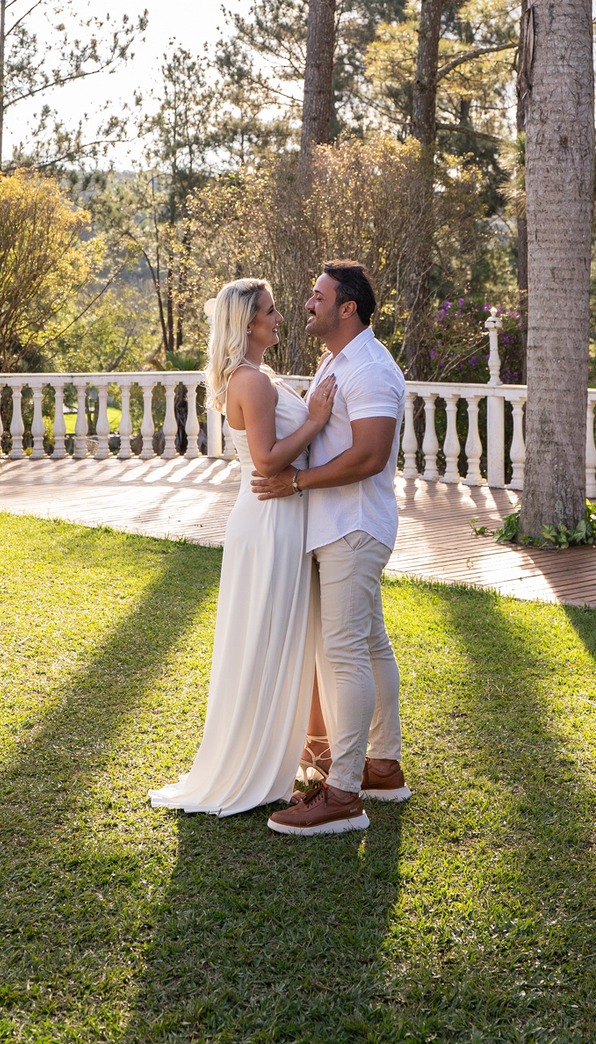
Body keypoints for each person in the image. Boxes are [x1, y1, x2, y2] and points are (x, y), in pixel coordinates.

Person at [148, 278, 338, 817]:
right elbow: (269, 459)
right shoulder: (250, 381)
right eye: (271, 311)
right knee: (265, 637)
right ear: (247, 323)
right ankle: (263, 764)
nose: (279, 318)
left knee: (281, 635)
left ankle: (296, 753)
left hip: (279, 517)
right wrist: (317, 420)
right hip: (269, 520)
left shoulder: (259, 376)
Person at [257, 261, 410, 837]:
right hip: (339, 526)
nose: (307, 304)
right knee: (369, 644)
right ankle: (383, 768)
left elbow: (370, 454)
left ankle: (344, 794)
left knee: (344, 652)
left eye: (318, 297)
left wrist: (296, 481)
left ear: (348, 308)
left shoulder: (370, 368)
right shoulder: (336, 360)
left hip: (354, 528)